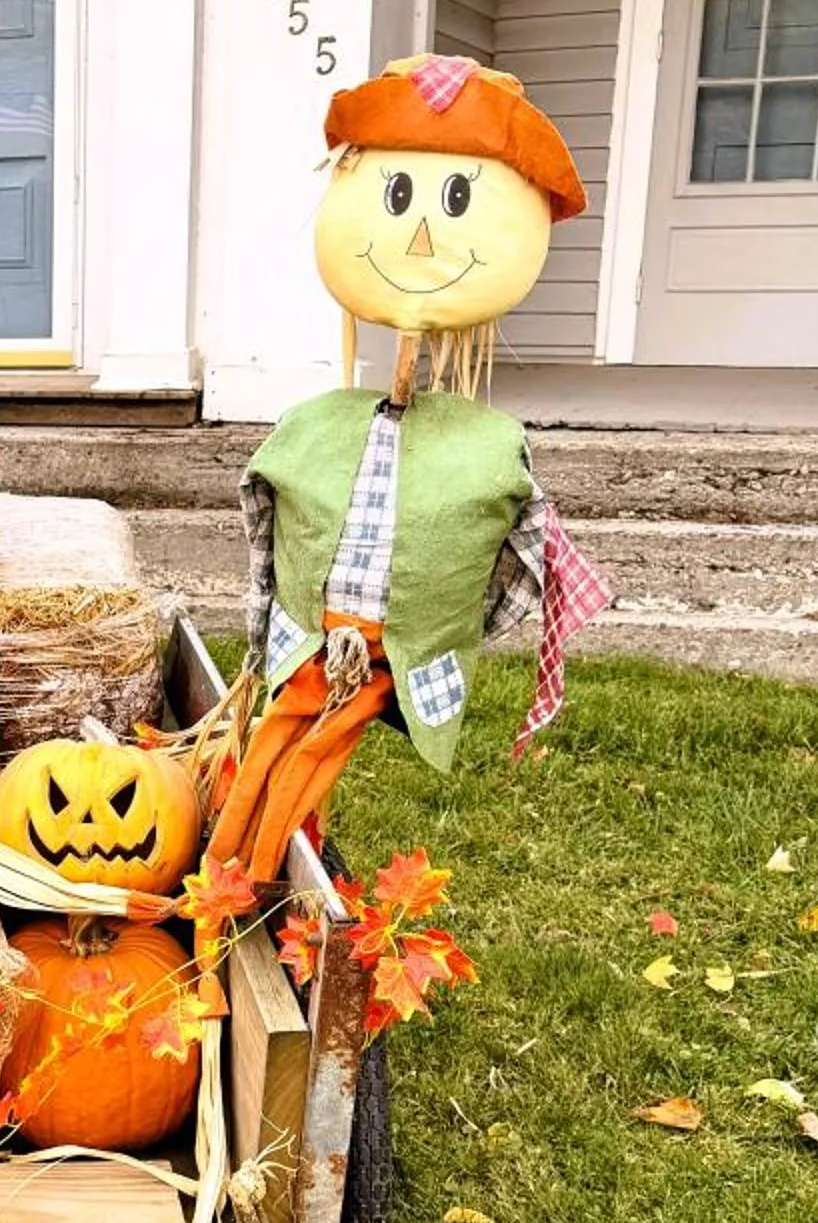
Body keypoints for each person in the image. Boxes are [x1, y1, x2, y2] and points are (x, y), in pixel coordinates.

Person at [217, 54, 611, 884]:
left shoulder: (484, 447)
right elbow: (267, 527)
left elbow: (520, 558)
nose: (425, 236)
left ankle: (243, 880)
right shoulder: (317, 425)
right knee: (277, 728)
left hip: (383, 650)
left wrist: (443, 622)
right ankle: (241, 867)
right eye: (398, 198)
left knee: (313, 748)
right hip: (313, 634)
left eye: (456, 201)